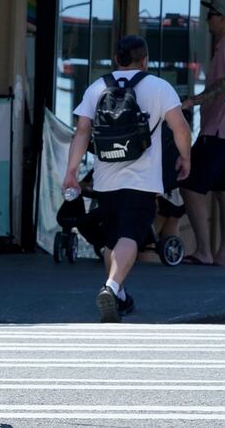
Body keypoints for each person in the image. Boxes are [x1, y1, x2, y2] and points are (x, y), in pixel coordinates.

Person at [63, 35, 192, 323]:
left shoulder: (97, 88)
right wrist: (185, 158)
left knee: (112, 240)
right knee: (130, 236)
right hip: (143, 181)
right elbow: (180, 128)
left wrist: (71, 172)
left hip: (106, 180)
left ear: (115, 59)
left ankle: (118, 295)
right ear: (144, 60)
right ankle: (111, 286)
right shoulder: (160, 88)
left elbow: (82, 131)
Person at [180, 0, 225, 267]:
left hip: (218, 129)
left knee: (190, 187)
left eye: (211, 16)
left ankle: (205, 250)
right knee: (224, 191)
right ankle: (222, 255)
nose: (208, 20)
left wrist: (192, 100)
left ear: (222, 18)